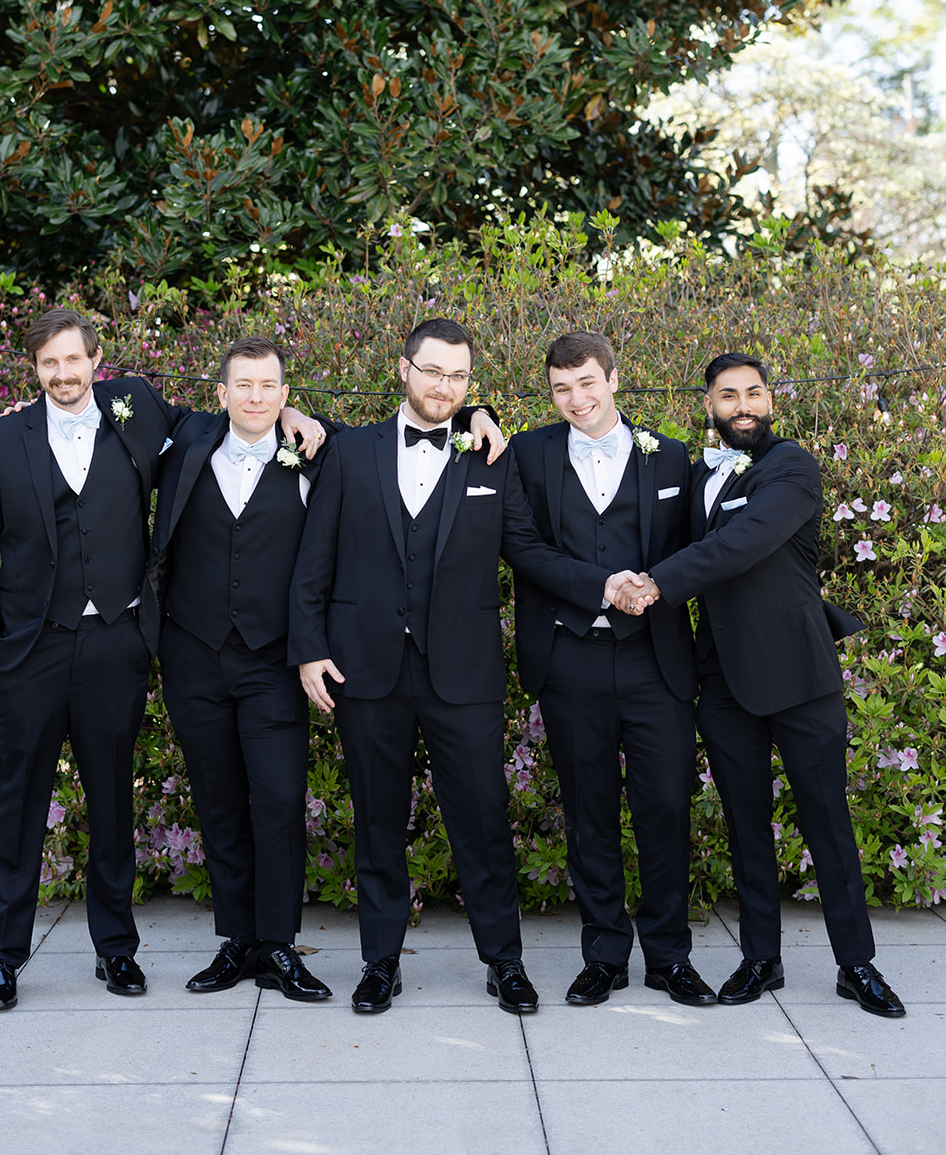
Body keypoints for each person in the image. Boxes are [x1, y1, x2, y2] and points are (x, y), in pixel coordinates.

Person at [0, 308, 321, 1012]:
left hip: (116, 642)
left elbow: (225, 417)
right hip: (28, 651)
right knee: (20, 806)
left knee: (112, 802)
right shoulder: (1, 439)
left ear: (97, 360)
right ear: (35, 369)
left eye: (73, 359)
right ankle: (1, 957)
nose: (63, 374)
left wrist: (290, 411)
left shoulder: (137, 407)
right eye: (49, 363)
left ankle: (115, 950)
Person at [149, 335, 498, 1004]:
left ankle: (278, 944)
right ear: (220, 393)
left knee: (279, 802)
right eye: (243, 385)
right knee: (218, 801)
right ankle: (238, 941)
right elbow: (114, 403)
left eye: (269, 387)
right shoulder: (187, 442)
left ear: (288, 395)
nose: (255, 397)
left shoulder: (321, 449)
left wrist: (480, 411)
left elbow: (422, 418)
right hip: (193, 651)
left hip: (273, 656)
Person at [288, 317, 603, 1017]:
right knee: (376, 819)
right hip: (364, 668)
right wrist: (308, 647)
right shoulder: (350, 451)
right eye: (432, 371)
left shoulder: (491, 456)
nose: (444, 386)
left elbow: (527, 550)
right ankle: (379, 962)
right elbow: (314, 559)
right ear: (403, 370)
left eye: (458, 376)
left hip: (463, 670)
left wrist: (602, 585)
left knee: (483, 820)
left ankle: (504, 961)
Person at [618, 352, 906, 1018]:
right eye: (727, 395)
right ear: (709, 405)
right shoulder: (697, 476)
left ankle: (855, 965)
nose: (741, 405)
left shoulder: (791, 467)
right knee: (745, 825)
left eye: (752, 392)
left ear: (770, 400)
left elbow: (742, 542)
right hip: (722, 681)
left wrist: (656, 584)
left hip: (799, 676)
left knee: (826, 821)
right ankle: (760, 960)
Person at [510, 331, 713, 1007]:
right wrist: (602, 585)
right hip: (570, 657)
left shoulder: (670, 455)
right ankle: (602, 954)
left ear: (613, 379)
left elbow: (695, 548)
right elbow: (521, 546)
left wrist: (652, 586)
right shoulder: (528, 453)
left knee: (665, 808)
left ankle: (669, 957)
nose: (576, 399)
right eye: (561, 388)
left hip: (656, 660)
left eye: (587, 383)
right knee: (587, 810)